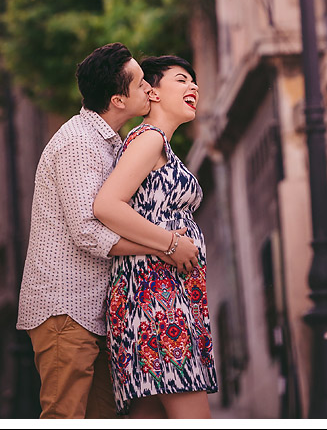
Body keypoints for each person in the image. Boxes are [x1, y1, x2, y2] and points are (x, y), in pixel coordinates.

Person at [16, 43, 199, 419]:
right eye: (141, 84)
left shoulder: (108, 142)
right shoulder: (78, 143)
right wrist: (166, 245)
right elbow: (88, 230)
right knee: (65, 416)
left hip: (96, 310)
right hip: (64, 308)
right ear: (118, 100)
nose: (149, 89)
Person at [93, 54, 218, 419]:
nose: (193, 86)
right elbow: (107, 205)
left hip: (154, 295)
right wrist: (172, 243)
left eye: (193, 80)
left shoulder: (157, 143)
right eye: (181, 79)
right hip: (156, 299)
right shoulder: (149, 139)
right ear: (153, 92)